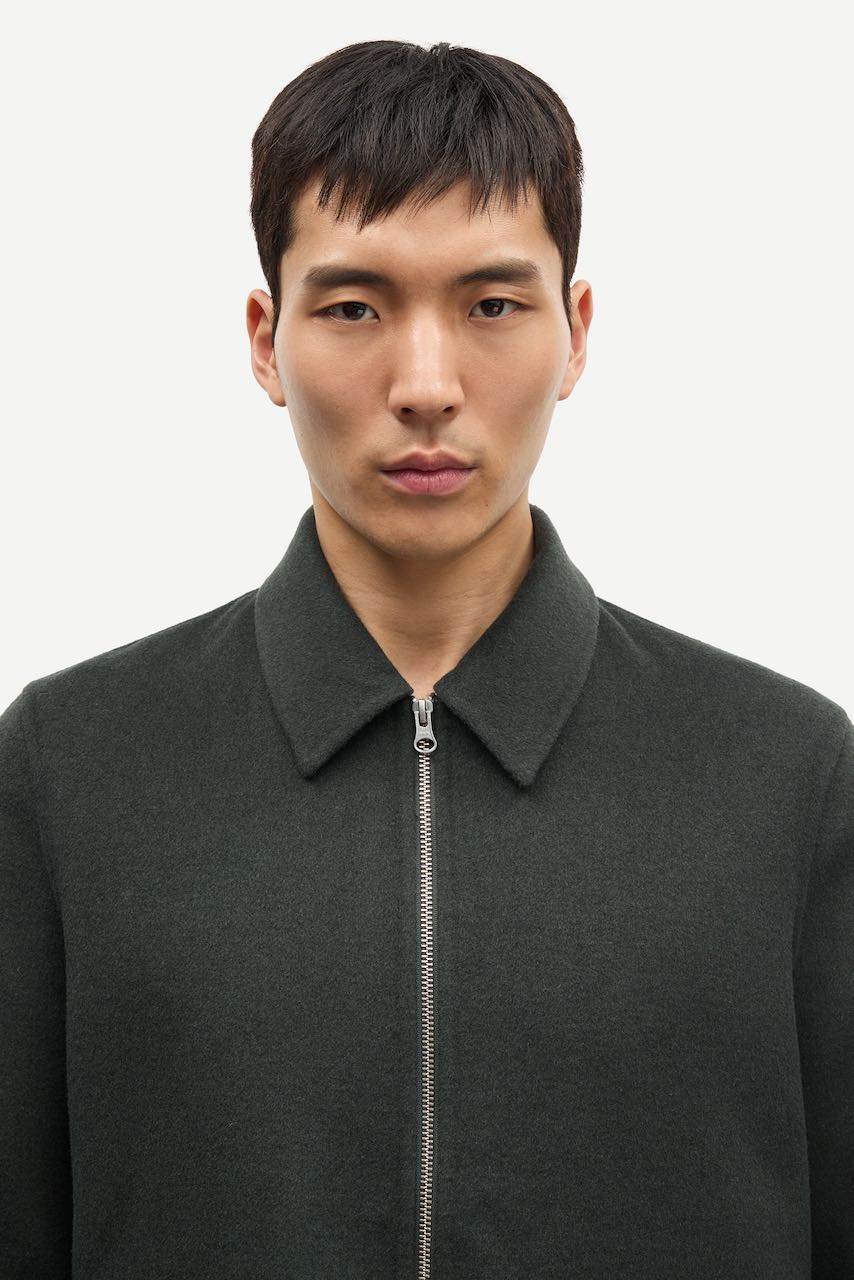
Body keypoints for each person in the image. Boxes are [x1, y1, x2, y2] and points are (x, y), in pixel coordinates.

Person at [1, 38, 851, 1280]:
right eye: (352, 306)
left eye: (491, 304)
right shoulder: (69, 768)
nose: (424, 384)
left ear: (575, 333)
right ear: (264, 338)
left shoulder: (787, 777)